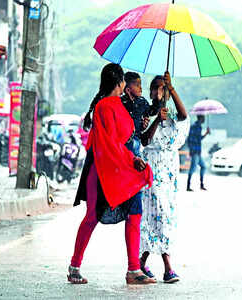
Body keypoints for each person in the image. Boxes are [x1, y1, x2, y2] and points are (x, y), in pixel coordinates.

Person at [67, 63, 156, 285]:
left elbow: (124, 136)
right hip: (104, 170)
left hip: (121, 167)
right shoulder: (105, 106)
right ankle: (75, 266)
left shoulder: (116, 104)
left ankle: (134, 269)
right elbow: (109, 143)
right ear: (119, 83)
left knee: (134, 211)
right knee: (92, 217)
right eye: (124, 80)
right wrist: (131, 158)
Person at [140, 71, 190, 283]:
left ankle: (140, 262)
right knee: (154, 212)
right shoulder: (145, 112)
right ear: (151, 91)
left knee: (165, 215)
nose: (158, 91)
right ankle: (168, 266)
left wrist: (172, 88)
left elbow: (184, 116)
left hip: (169, 169)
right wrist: (154, 121)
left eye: (163, 88)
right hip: (151, 167)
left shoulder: (171, 113)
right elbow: (144, 140)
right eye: (156, 87)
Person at [186, 115, 210, 191]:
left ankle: (201, 184)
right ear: (200, 118)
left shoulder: (198, 127)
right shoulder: (195, 126)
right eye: (203, 118)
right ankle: (188, 186)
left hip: (198, 152)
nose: (204, 120)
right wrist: (191, 150)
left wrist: (206, 133)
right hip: (195, 151)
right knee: (193, 168)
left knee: (203, 166)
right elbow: (190, 139)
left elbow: (198, 138)